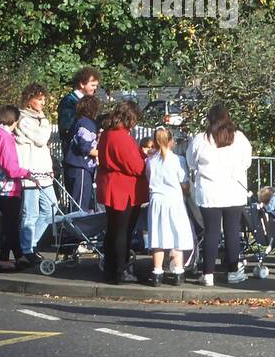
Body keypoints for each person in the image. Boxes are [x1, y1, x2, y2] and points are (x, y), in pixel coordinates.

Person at [186, 104, 253, 285]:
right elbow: (247, 162)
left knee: (211, 232)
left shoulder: (201, 139)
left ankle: (207, 274)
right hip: (233, 191)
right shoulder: (239, 138)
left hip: (209, 192)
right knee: (232, 231)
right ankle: (233, 272)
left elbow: (191, 163)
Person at [97, 102, 148, 285]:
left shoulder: (107, 134)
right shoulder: (121, 137)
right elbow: (135, 166)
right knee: (123, 231)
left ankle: (111, 268)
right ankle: (121, 270)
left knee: (113, 229)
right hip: (123, 189)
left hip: (111, 185)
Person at [144, 127, 194, 286]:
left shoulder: (150, 161)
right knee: (177, 235)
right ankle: (178, 271)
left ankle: (157, 272)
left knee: (158, 236)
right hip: (174, 201)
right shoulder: (178, 160)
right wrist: (188, 192)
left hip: (157, 201)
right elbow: (184, 184)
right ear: (171, 141)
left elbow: (148, 178)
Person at [14, 83, 56, 266]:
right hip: (31, 173)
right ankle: (27, 249)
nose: (43, 102)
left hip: (44, 172)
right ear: (29, 100)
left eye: (43, 98)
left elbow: (41, 142)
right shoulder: (24, 118)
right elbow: (41, 139)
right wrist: (45, 123)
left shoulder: (38, 118)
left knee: (51, 208)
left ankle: (31, 243)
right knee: (30, 213)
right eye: (39, 99)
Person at [0, 105, 30, 270]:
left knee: (10, 222)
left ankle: (19, 256)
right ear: (14, 120)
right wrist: (26, 172)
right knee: (10, 223)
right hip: (8, 186)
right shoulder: (4, 137)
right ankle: (4, 259)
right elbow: (10, 167)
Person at [62, 93, 101, 212]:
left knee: (75, 203)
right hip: (80, 168)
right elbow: (85, 147)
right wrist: (103, 153)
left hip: (73, 167)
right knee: (80, 207)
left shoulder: (78, 122)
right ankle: (75, 230)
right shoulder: (86, 124)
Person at [57, 66, 101, 147]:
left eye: (96, 86)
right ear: (82, 84)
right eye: (92, 85)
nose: (95, 88)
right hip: (74, 150)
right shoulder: (69, 101)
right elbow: (66, 128)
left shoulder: (90, 101)